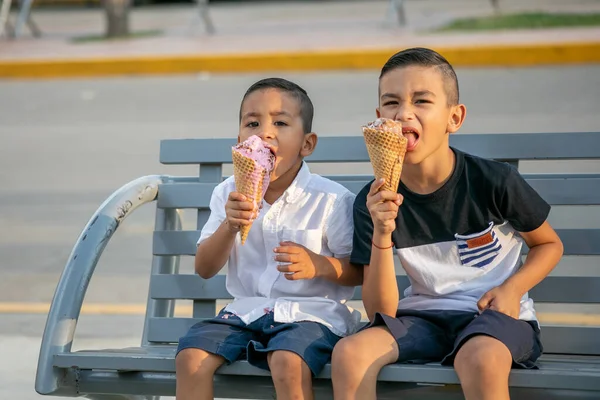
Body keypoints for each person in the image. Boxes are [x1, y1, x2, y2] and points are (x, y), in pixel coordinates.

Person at [331, 48, 564, 400]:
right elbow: (381, 312)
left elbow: (549, 245)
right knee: (350, 354)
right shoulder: (374, 200)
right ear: (379, 118)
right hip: (422, 320)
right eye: (391, 103)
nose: (404, 112)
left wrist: (513, 289)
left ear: (454, 118)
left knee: (479, 358)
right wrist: (382, 232)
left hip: (494, 319)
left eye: (421, 100)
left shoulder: (493, 181)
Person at [175, 77, 362, 400]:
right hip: (245, 313)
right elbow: (204, 268)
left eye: (280, 122)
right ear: (238, 141)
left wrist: (320, 265)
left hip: (312, 316)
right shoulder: (227, 193)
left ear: (307, 144)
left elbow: (357, 272)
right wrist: (229, 227)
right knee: (190, 357)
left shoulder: (330, 200)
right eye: (252, 123)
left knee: (287, 361)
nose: (265, 132)